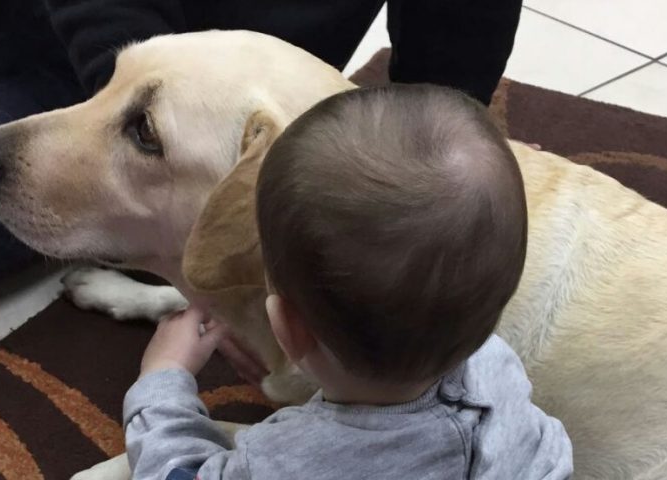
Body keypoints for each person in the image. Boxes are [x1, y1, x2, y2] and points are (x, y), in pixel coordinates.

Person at [124, 85, 573, 480]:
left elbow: (175, 472)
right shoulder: (500, 369)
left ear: (289, 327)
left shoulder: (284, 461)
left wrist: (163, 380)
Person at [0, 0, 522, 283]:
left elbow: (460, 31)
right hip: (99, 54)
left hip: (213, 107)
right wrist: (138, 106)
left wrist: (431, 167)